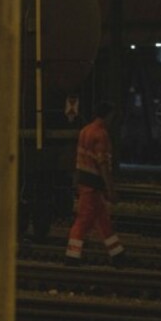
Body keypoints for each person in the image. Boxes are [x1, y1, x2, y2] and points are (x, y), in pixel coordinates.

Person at [65, 102, 127, 267]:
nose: (113, 120)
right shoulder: (101, 134)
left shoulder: (85, 131)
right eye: (112, 116)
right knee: (84, 220)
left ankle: (118, 254)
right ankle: (72, 256)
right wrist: (110, 189)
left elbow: (80, 159)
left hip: (84, 181)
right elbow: (103, 165)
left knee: (103, 220)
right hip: (93, 185)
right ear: (107, 116)